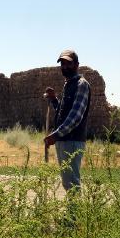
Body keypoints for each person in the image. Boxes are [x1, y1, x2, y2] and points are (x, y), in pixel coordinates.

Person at [44, 49, 91, 192]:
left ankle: (75, 214)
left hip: (72, 140)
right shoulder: (68, 84)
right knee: (68, 181)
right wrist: (53, 99)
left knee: (71, 182)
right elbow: (62, 112)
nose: (64, 67)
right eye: (62, 64)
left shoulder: (81, 84)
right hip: (64, 140)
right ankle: (73, 213)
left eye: (68, 64)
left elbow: (76, 116)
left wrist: (56, 134)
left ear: (77, 65)